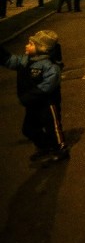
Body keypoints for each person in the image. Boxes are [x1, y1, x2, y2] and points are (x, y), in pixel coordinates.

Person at [0, 30, 69, 164]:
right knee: (29, 129)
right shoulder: (25, 61)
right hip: (33, 104)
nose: (26, 46)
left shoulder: (50, 66)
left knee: (52, 127)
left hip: (47, 103)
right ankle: (46, 146)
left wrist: (30, 95)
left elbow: (49, 85)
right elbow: (11, 61)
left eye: (31, 44)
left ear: (42, 49)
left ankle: (61, 148)